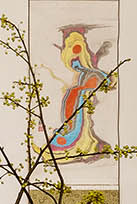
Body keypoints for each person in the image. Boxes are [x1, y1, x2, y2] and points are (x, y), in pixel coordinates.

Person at [42, 22, 113, 160]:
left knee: (76, 100)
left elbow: (96, 75)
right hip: (78, 98)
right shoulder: (81, 72)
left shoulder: (86, 73)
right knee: (74, 98)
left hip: (82, 97)